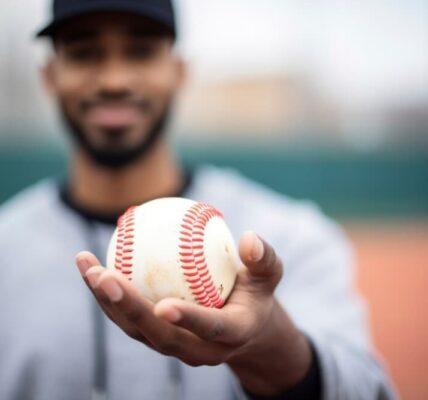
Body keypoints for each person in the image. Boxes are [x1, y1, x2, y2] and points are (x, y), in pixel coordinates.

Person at [0, 1, 396, 399]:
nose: (114, 80)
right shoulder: (5, 249)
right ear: (50, 76)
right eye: (84, 53)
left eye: (141, 51)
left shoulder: (288, 236)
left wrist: (272, 347)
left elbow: (369, 389)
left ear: (179, 71)